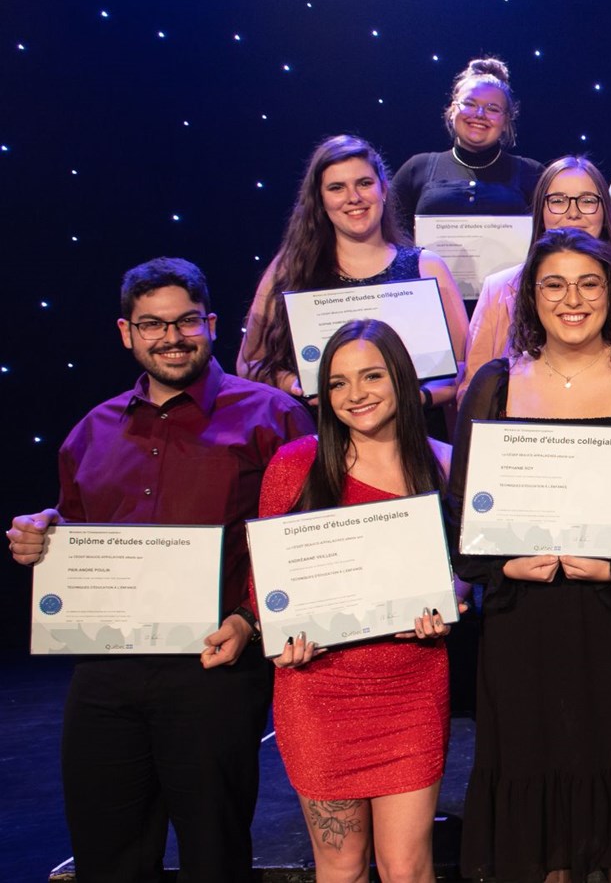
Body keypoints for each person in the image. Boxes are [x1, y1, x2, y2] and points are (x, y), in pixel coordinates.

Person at [7, 258, 313, 882]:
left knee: (214, 854)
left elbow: (302, 540)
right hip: (105, 671)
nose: (171, 337)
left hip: (215, 665)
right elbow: (75, 531)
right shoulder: (91, 431)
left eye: (186, 322)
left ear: (212, 324)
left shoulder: (273, 417)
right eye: (152, 324)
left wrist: (249, 620)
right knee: (106, 855)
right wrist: (43, 535)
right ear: (127, 332)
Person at [446, 228, 611, 881]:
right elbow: (462, 507)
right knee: (542, 824)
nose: (573, 300)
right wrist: (501, 565)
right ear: (530, 297)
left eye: (589, 284)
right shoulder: (494, 385)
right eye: (555, 285)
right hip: (526, 621)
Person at [252, 320, 459, 883]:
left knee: (407, 866)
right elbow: (266, 578)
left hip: (412, 686)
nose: (355, 394)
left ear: (401, 378)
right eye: (338, 383)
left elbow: (464, 572)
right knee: (341, 866)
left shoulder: (442, 463)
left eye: (372, 376)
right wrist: (278, 635)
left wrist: (449, 604)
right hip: (318, 689)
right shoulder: (295, 464)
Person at [239, 134, 470, 414]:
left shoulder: (427, 267)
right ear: (320, 199)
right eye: (337, 188)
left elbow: (464, 366)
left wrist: (415, 398)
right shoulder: (290, 269)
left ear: (383, 189)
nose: (354, 198)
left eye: (364, 183)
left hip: (413, 429)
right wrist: (294, 383)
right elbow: (250, 363)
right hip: (322, 430)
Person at [464, 156, 611, 385]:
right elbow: (473, 389)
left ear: (604, 211)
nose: (573, 213)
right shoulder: (498, 289)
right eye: (558, 201)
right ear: (541, 212)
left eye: (587, 201)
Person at [388, 57, 546, 239]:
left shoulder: (532, 173)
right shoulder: (416, 169)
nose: (479, 114)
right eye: (470, 104)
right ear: (452, 110)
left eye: (493, 109)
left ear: (506, 121)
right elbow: (390, 238)